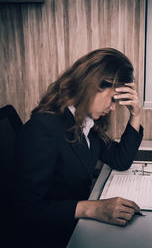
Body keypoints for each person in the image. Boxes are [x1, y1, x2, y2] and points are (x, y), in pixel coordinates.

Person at [14, 48, 144, 247]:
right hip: (54, 234)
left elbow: (120, 160)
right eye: (112, 100)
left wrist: (136, 115)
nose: (113, 108)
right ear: (93, 86)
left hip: (78, 225)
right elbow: (26, 210)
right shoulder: (43, 128)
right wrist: (92, 209)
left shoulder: (86, 123)